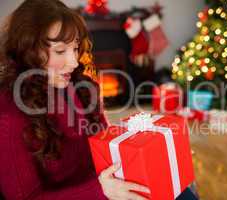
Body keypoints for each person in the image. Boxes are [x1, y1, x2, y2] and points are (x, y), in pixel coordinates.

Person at [0, 0, 198, 199]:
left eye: (75, 48)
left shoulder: (82, 87)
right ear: (28, 51)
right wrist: (100, 190)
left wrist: (151, 150)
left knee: (181, 192)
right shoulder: (9, 117)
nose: (73, 61)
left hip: (107, 187)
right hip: (96, 193)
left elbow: (106, 144)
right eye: (60, 51)